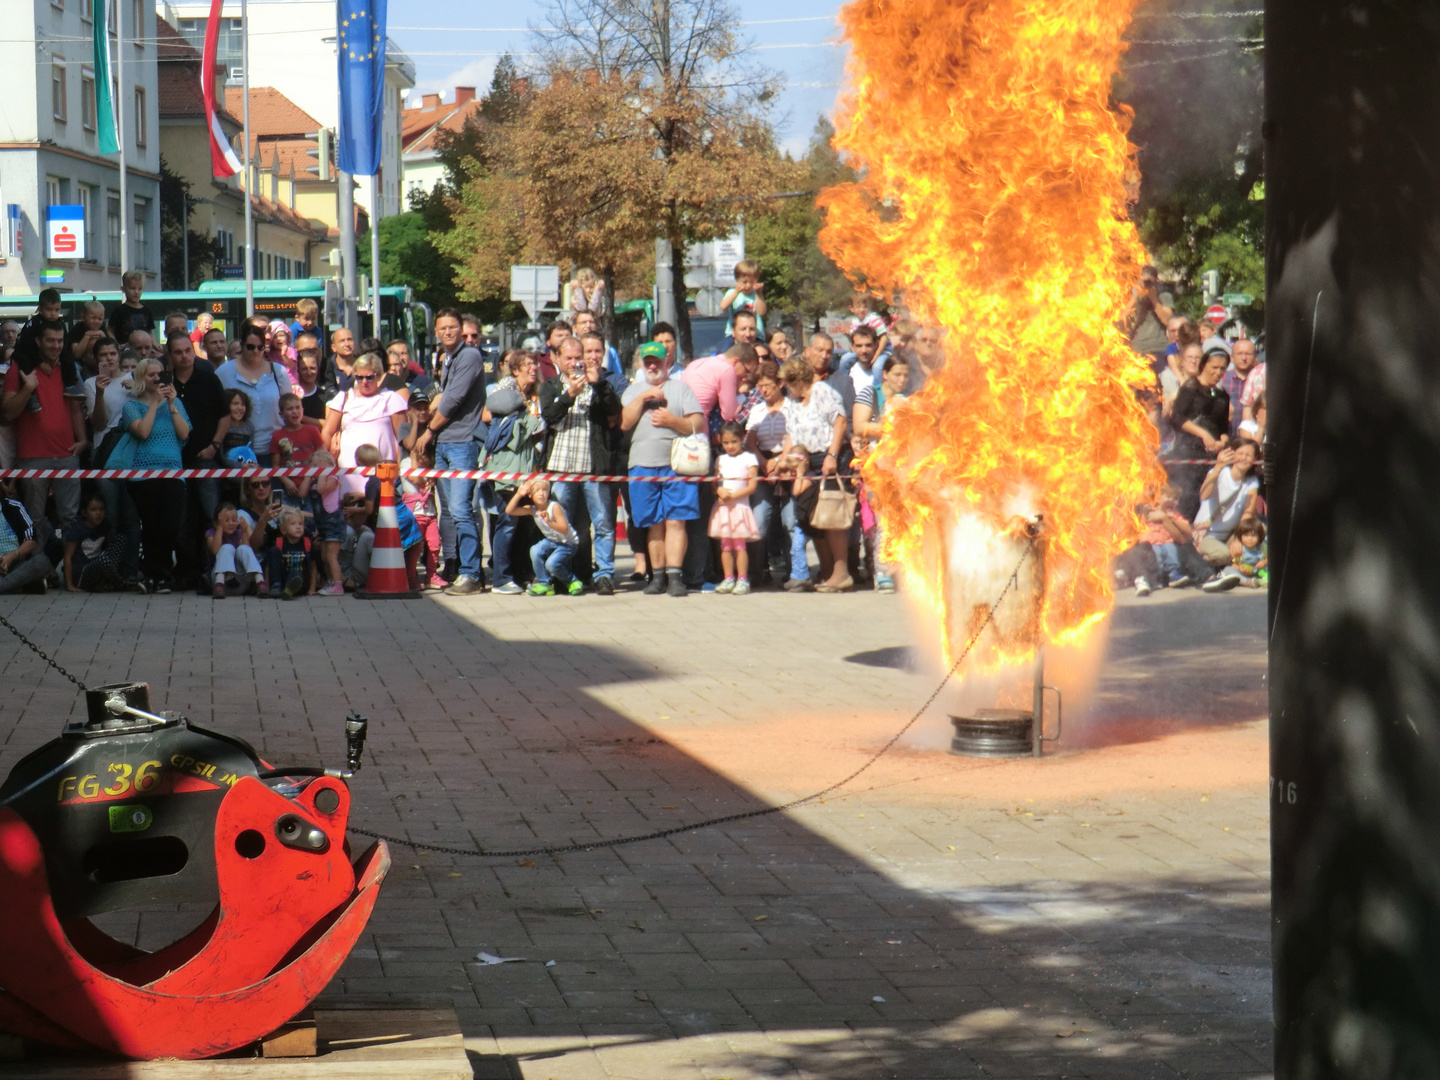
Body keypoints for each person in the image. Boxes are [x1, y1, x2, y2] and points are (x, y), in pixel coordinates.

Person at [413, 309, 491, 596]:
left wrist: (429, 431)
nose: (448, 332)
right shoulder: (447, 358)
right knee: (450, 511)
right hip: (447, 443)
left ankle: (471, 573)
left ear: (462, 329)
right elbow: (443, 396)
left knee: (462, 510)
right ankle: (458, 568)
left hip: (461, 442)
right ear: (436, 331)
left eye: (453, 327)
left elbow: (454, 399)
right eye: (443, 328)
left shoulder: (469, 355)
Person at [539, 334, 622, 594]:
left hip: (593, 468)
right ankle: (561, 573)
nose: (575, 362)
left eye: (579, 357)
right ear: (558, 359)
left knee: (604, 522)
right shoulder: (551, 386)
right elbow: (549, 417)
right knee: (559, 524)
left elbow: (614, 411)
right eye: (569, 358)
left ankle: (605, 574)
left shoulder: (598, 383)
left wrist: (599, 386)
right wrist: (569, 395)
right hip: (561, 467)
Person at [621, 342, 704, 597]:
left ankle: (675, 576)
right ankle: (657, 577)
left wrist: (672, 421)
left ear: (668, 362)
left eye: (657, 361)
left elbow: (697, 423)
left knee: (676, 522)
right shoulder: (632, 391)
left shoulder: (681, 389)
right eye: (648, 361)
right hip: (642, 466)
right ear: (641, 364)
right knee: (653, 524)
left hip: (677, 466)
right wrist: (645, 397)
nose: (653, 365)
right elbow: (624, 423)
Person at [2, 319, 87, 533]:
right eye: (50, 340)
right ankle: (38, 567)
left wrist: (82, 440)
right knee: (34, 521)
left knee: (71, 519)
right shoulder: (18, 370)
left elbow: (75, 409)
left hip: (67, 453)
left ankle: (69, 567)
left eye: (60, 341)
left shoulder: (69, 370)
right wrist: (28, 388)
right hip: (32, 456)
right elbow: (8, 413)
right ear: (38, 341)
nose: (56, 345)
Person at [780, 356, 851, 592]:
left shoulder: (821, 391)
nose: (788, 388)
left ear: (798, 379)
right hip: (806, 461)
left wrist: (832, 455)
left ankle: (841, 574)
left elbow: (840, 422)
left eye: (789, 383)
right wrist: (785, 460)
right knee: (812, 519)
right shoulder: (792, 402)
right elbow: (791, 434)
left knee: (831, 518)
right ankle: (827, 571)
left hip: (828, 458)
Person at [122, 358, 191, 593]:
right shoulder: (131, 406)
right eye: (151, 375)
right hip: (143, 474)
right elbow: (142, 431)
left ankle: (160, 571)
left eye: (160, 374)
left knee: (170, 524)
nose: (156, 379)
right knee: (151, 526)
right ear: (142, 378)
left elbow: (184, 434)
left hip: (173, 472)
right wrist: (154, 403)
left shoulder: (176, 404)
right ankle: (155, 575)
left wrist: (171, 404)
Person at [165, 331, 227, 586]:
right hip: (175, 460)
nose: (184, 356)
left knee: (211, 515)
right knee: (180, 516)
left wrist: (214, 445)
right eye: (178, 352)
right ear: (170, 356)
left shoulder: (209, 380)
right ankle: (186, 571)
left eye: (187, 351)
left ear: (193, 351)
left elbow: (224, 416)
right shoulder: (164, 383)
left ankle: (213, 569)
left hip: (205, 458)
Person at [481, 352, 545, 595]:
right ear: (514, 369)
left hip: (527, 467)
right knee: (506, 522)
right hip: (506, 467)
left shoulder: (535, 393)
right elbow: (490, 414)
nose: (533, 368)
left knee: (523, 524)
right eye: (526, 364)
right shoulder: (507, 389)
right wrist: (527, 411)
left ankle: (520, 575)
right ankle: (500, 578)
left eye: (534, 364)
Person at [852, 355, 910, 591]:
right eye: (897, 374)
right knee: (881, 520)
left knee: (902, 520)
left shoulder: (906, 400)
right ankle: (883, 571)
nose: (902, 379)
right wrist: (890, 427)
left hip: (902, 466)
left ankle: (901, 570)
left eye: (906, 375)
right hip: (875, 466)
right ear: (885, 374)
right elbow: (860, 426)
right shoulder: (869, 394)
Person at [320, 352, 408, 500]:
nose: (364, 382)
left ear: (379, 375)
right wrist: (326, 462)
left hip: (383, 475)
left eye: (369, 377)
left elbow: (403, 440)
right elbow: (327, 432)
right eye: (359, 377)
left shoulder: (390, 399)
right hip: (347, 476)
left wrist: (399, 470)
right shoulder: (344, 398)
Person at [1169, 346, 1233, 520]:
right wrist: (1203, 434)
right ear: (1204, 365)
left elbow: (1224, 427)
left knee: (1204, 499)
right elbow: (1177, 417)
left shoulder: (1222, 396)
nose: (1218, 372)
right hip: (1187, 452)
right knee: (1186, 496)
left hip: (1211, 455)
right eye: (1214, 367)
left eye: (1222, 368)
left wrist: (1222, 442)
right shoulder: (1191, 387)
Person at [216, 322, 293, 466]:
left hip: (274, 451)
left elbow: (289, 408)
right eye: (250, 347)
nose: (256, 351)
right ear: (242, 345)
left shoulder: (278, 372)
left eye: (260, 347)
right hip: (236, 452)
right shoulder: (224, 372)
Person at [743, 360, 790, 587]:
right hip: (762, 464)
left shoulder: (791, 408)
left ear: (780, 383)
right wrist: (764, 463)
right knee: (759, 520)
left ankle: (792, 570)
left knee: (790, 521)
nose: (764, 390)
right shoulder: (757, 410)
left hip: (787, 463)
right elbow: (750, 442)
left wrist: (779, 461)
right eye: (761, 386)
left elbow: (794, 438)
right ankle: (757, 570)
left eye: (769, 385)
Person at [1193, 439, 1261, 567]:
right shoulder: (1221, 473)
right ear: (1233, 454)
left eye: (1248, 455)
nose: (1243, 458)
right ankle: (1198, 564)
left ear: (1255, 459)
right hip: (1207, 534)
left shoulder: (1251, 481)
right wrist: (1218, 467)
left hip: (1229, 534)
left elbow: (1248, 512)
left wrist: (1238, 539)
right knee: (1223, 555)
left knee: (1254, 541)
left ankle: (1230, 569)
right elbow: (1204, 494)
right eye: (1240, 453)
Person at [709, 421, 760, 594]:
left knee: (739, 546)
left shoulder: (749, 458)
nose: (730, 446)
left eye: (734, 442)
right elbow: (715, 484)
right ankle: (728, 577)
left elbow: (752, 486)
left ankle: (743, 579)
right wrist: (719, 491)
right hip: (723, 509)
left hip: (740, 508)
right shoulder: (720, 459)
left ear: (742, 439)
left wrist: (733, 496)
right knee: (725, 545)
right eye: (726, 442)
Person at [507, 479, 581, 596]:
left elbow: (564, 529)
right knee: (535, 550)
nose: (541, 494)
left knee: (552, 565)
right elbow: (510, 510)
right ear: (530, 495)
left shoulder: (554, 507)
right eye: (537, 491)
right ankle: (545, 584)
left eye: (544, 490)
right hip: (552, 541)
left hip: (567, 543)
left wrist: (549, 521)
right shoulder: (533, 510)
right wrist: (518, 494)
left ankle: (572, 581)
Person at [13, 289, 83, 395]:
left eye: (56, 310)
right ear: (40, 309)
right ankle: (31, 395)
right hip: (31, 353)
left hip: (53, 356)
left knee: (68, 358)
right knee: (24, 361)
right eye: (49, 310)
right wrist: (40, 362)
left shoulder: (60, 323)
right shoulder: (33, 324)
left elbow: (65, 343)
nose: (53, 314)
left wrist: (59, 357)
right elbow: (25, 346)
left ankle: (70, 385)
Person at [64, 493, 129, 593]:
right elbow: (67, 556)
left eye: (101, 509)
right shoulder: (78, 529)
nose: (98, 513)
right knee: (103, 560)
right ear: (85, 513)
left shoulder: (105, 526)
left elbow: (111, 548)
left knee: (121, 539)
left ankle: (106, 581)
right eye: (93, 510)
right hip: (82, 573)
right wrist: (70, 585)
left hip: (98, 567)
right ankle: (120, 584)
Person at [0, 481, 53, 595]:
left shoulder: (13, 507)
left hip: (16, 563)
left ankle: (7, 585)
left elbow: (32, 540)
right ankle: (19, 587)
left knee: (41, 562)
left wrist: (11, 557)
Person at [206, 502, 267, 598]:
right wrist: (220, 527)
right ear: (216, 522)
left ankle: (260, 581)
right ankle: (219, 583)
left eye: (234, 520)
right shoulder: (211, 533)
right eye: (226, 520)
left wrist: (244, 532)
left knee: (243, 548)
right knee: (227, 547)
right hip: (222, 582)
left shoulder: (238, 533)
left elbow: (248, 551)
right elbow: (215, 551)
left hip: (240, 581)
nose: (231, 523)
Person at [1202, 513, 1268, 592]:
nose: (1250, 539)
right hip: (1243, 573)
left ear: (1259, 536)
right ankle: (1247, 582)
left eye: (1253, 536)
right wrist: (1240, 568)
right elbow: (1232, 563)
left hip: (1259, 572)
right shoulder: (1239, 549)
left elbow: (1270, 557)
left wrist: (1263, 563)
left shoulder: (1262, 546)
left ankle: (1263, 581)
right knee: (1228, 570)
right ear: (1240, 536)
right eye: (1246, 536)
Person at [268, 506, 317, 598]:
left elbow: (313, 567)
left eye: (301, 524)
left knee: (296, 574)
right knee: (273, 551)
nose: (298, 527)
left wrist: (312, 588)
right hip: (284, 578)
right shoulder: (279, 543)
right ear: (283, 530)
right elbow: (270, 566)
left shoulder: (307, 543)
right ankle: (276, 585)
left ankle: (289, 590)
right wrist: (267, 587)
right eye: (293, 524)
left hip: (300, 581)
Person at [1222, 338, 1260, 440]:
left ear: (1255, 357)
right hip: (1227, 438)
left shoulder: (1261, 380)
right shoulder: (1222, 379)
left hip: (1252, 440)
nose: (1244, 358)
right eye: (1239, 354)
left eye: (1248, 354)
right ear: (1232, 357)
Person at [720, 259, 766, 341]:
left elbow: (761, 312)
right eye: (744, 282)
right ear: (737, 280)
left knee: (765, 351)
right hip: (733, 335)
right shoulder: (732, 292)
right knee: (724, 350)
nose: (748, 285)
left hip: (756, 335)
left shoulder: (756, 294)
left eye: (752, 282)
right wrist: (736, 292)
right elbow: (723, 306)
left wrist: (759, 294)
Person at [108, 270, 155, 345]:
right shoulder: (119, 310)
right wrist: (116, 344)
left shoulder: (147, 310)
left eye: (139, 289)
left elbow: (149, 332)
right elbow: (110, 330)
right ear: (123, 289)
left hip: (144, 348)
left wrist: (154, 343)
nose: (136, 292)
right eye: (132, 288)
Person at [66, 300, 108, 378]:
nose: (96, 321)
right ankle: (80, 389)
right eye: (93, 318)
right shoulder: (77, 329)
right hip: (80, 363)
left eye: (100, 319)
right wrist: (87, 336)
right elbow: (77, 354)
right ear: (83, 317)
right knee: (75, 370)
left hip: (98, 363)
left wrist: (102, 335)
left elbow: (108, 346)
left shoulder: (102, 329)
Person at [213, 389, 256, 465]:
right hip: (224, 469)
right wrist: (239, 466)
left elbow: (250, 452)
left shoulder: (249, 426)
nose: (240, 408)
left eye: (243, 404)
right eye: (235, 404)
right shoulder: (221, 425)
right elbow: (220, 456)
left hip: (246, 468)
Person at [845, 292, 889, 357]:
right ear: (852, 309)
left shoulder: (874, 319)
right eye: (858, 307)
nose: (862, 310)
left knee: (877, 366)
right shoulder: (855, 322)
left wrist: (876, 356)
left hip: (882, 351)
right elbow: (854, 340)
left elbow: (884, 337)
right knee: (846, 358)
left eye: (865, 307)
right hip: (864, 352)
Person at [294, 338, 327, 422]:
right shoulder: (292, 396)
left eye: (312, 368)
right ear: (297, 370)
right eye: (304, 369)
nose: (309, 373)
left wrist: (301, 417)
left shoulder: (325, 396)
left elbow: (327, 425)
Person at [845, 324, 884, 396]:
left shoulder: (884, 373)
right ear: (852, 347)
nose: (864, 350)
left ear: (876, 345)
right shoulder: (847, 372)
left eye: (868, 345)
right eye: (859, 346)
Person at [324, 327, 357, 394]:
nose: (347, 344)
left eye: (349, 340)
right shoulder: (327, 367)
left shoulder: (362, 365)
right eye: (342, 341)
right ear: (334, 347)